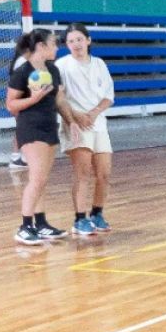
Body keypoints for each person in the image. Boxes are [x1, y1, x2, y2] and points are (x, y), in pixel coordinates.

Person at [6, 29, 70, 246]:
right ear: (41, 46)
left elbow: (59, 101)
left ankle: (41, 224)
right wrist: (34, 99)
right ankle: (24, 226)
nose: (57, 47)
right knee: (37, 178)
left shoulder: (53, 69)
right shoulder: (22, 72)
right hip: (31, 127)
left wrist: (72, 122)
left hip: (49, 126)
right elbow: (11, 105)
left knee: (41, 179)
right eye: (53, 43)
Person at [55, 23, 114, 236]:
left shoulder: (99, 64)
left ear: (88, 40)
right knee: (82, 172)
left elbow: (108, 96)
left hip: (98, 124)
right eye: (71, 41)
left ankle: (97, 213)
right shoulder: (62, 65)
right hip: (76, 124)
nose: (76, 44)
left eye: (79, 39)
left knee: (104, 173)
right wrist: (76, 116)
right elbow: (59, 97)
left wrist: (94, 113)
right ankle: (80, 219)